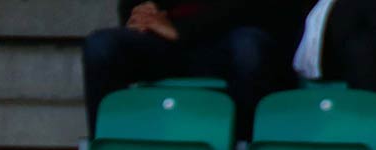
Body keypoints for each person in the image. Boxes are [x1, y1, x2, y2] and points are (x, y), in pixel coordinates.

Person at [81, 2, 309, 138]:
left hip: (232, 39)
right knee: (101, 47)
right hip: (167, 40)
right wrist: (143, 11)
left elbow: (263, 9)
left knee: (249, 49)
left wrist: (182, 30)